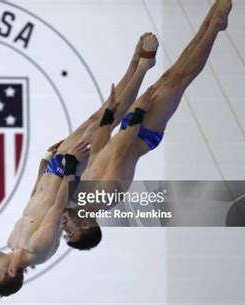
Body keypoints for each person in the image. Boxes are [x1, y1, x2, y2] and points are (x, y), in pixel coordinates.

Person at [0, 33, 160, 297]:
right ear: (12, 272)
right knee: (106, 121)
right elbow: (59, 205)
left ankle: (134, 65)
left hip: (54, 169)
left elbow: (36, 195)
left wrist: (44, 161)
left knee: (99, 114)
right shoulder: (39, 249)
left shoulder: (13, 240)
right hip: (70, 170)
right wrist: (71, 166)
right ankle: (143, 69)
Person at [62, 0, 233, 250]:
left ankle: (211, 21)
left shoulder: (82, 196)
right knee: (179, 79)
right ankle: (214, 27)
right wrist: (139, 110)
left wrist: (109, 113)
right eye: (71, 233)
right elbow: (120, 154)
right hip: (143, 133)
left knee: (170, 75)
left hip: (129, 129)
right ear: (86, 226)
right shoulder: (105, 198)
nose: (65, 229)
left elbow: (99, 150)